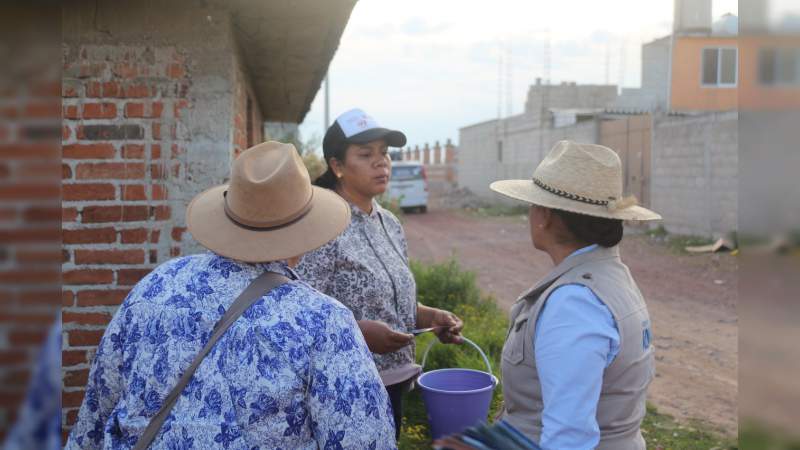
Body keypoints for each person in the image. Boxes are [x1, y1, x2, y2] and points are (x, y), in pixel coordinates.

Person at [66, 142, 397, 449]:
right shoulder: (324, 322)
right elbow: (365, 439)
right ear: (308, 227)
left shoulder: (155, 285)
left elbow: (97, 408)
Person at [296, 108, 463, 439]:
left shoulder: (388, 222)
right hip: (344, 387)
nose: (381, 162)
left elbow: (386, 300)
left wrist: (430, 317)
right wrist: (357, 332)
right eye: (366, 154)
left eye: (384, 153)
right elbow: (297, 311)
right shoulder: (321, 224)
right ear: (337, 166)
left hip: (395, 381)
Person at [487, 141, 661, 450]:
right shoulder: (609, 275)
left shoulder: (574, 304)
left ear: (544, 216)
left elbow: (568, 437)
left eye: (533, 205)